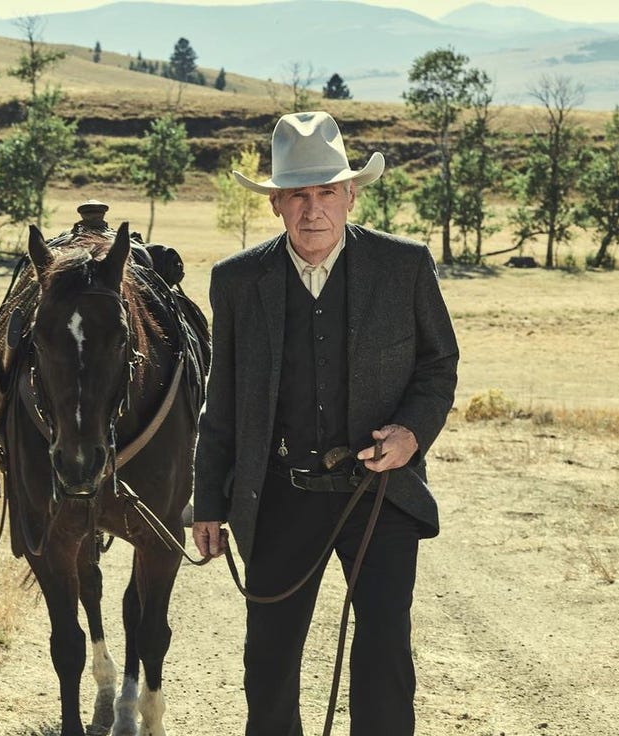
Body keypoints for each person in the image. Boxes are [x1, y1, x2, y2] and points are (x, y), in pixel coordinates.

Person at [191, 111, 459, 736]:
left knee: (385, 651)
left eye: (328, 193)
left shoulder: (405, 267)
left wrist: (412, 432)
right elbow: (221, 397)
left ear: (350, 195)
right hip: (282, 492)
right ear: (278, 204)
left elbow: (438, 363)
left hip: (380, 493)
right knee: (270, 661)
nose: (315, 210)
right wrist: (208, 500)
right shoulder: (237, 281)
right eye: (300, 195)